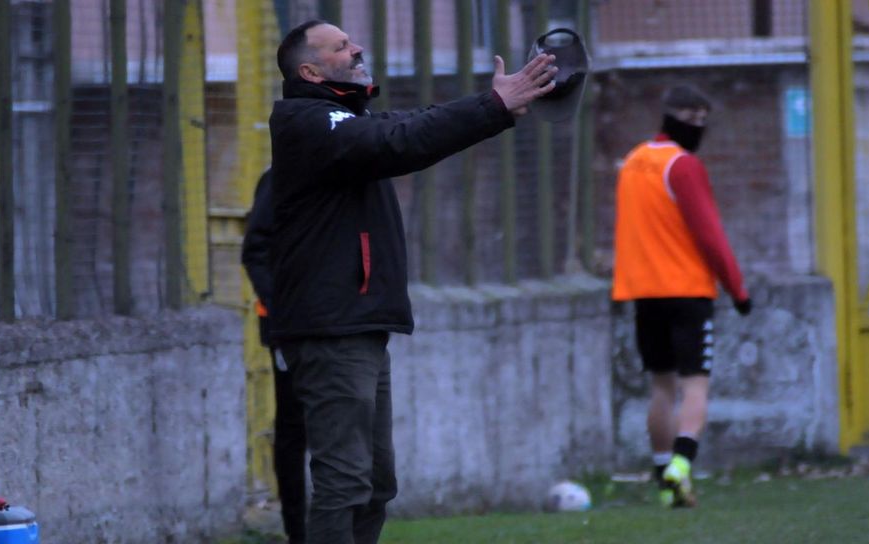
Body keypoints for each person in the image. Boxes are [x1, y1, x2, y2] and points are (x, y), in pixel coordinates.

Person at [268, 19, 557, 544]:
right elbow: (400, 140)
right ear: (309, 71)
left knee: (376, 485)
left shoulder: (347, 119)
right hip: (330, 329)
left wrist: (493, 110)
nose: (357, 48)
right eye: (341, 47)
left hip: (358, 325)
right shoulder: (307, 122)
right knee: (344, 481)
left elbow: (410, 123)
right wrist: (492, 105)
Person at [611, 84, 752, 508]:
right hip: (687, 291)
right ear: (673, 118)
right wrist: (737, 290)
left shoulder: (633, 162)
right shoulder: (683, 166)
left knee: (661, 386)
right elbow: (710, 234)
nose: (698, 129)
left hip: (643, 292)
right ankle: (681, 464)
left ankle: (663, 480)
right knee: (695, 385)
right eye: (693, 120)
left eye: (703, 122)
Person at [241, 169, 307, 544]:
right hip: (288, 327)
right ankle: (297, 529)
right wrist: (282, 309)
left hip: (329, 321)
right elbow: (255, 251)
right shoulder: (279, 178)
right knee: (293, 428)